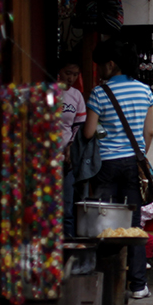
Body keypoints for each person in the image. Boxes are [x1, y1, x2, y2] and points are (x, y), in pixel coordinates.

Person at [83, 40, 153, 299]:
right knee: (133, 226)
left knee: (103, 224)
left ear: (110, 64)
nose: (99, 70)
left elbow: (89, 132)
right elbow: (148, 132)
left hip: (106, 165)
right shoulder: (145, 91)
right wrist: (140, 155)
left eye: (100, 65)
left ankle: (103, 285)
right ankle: (138, 285)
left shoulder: (99, 93)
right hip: (133, 164)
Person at [57, 56, 86, 238]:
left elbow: (78, 126)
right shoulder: (47, 93)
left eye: (75, 74)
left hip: (66, 159)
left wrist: (70, 147)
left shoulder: (76, 96)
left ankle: (67, 254)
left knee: (67, 208)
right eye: (68, 73)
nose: (71, 78)